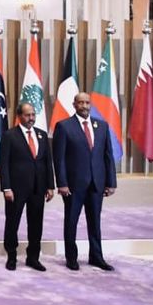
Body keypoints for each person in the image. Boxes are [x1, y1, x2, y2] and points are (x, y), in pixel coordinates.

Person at [53, 92, 117, 271]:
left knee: (95, 222)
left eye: (87, 103)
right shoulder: (64, 126)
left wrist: (111, 182)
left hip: (97, 183)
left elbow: (108, 156)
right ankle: (71, 258)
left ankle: (96, 257)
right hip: (73, 185)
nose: (84, 106)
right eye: (80, 103)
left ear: (91, 105)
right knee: (71, 221)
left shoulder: (102, 126)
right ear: (74, 105)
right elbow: (59, 159)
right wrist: (62, 183)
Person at [0, 102, 55, 271]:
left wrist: (50, 186)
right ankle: (12, 256)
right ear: (19, 116)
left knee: (36, 224)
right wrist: (6, 187)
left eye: (33, 115)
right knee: (12, 223)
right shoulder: (9, 136)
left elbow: (47, 162)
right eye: (27, 115)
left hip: (38, 188)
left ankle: (33, 257)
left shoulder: (42, 135)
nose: (31, 118)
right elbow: (3, 164)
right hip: (16, 189)